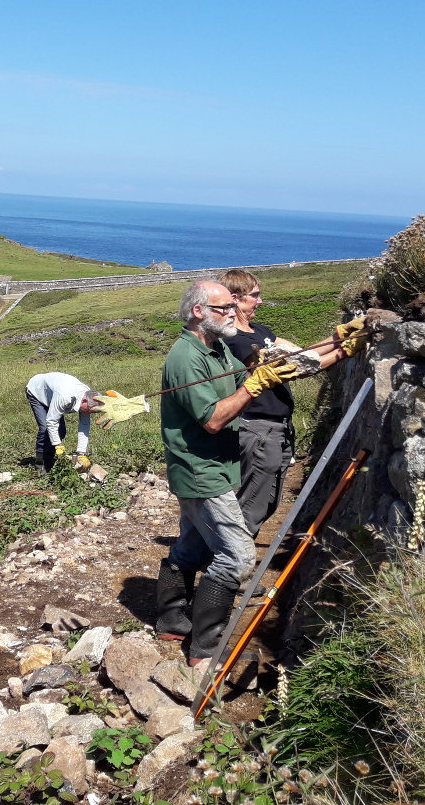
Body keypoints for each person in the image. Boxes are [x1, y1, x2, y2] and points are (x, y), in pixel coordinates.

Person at [155, 280, 299, 669]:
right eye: (223, 309)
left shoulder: (215, 348)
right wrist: (254, 386)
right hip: (199, 470)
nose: (232, 313)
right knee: (236, 556)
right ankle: (205, 649)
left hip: (217, 465)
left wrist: (305, 356)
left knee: (192, 545)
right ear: (198, 312)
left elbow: (246, 372)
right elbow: (215, 419)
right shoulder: (185, 357)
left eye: (232, 307)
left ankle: (171, 620)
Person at [218, 268, 361, 538]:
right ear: (235, 299)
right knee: (253, 505)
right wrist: (344, 351)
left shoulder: (259, 331)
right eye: (255, 296)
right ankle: (228, 569)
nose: (260, 301)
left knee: (268, 501)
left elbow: (302, 353)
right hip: (260, 428)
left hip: (278, 427)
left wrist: (339, 337)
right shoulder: (235, 341)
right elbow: (295, 367)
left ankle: (226, 557)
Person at [26, 372, 98, 474]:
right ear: (84, 400)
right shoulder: (65, 396)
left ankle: (50, 460)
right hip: (37, 390)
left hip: (52, 394)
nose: (89, 413)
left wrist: (81, 453)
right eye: (89, 410)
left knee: (61, 431)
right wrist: (57, 444)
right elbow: (51, 421)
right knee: (45, 428)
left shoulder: (89, 399)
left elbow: (84, 425)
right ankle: (41, 463)